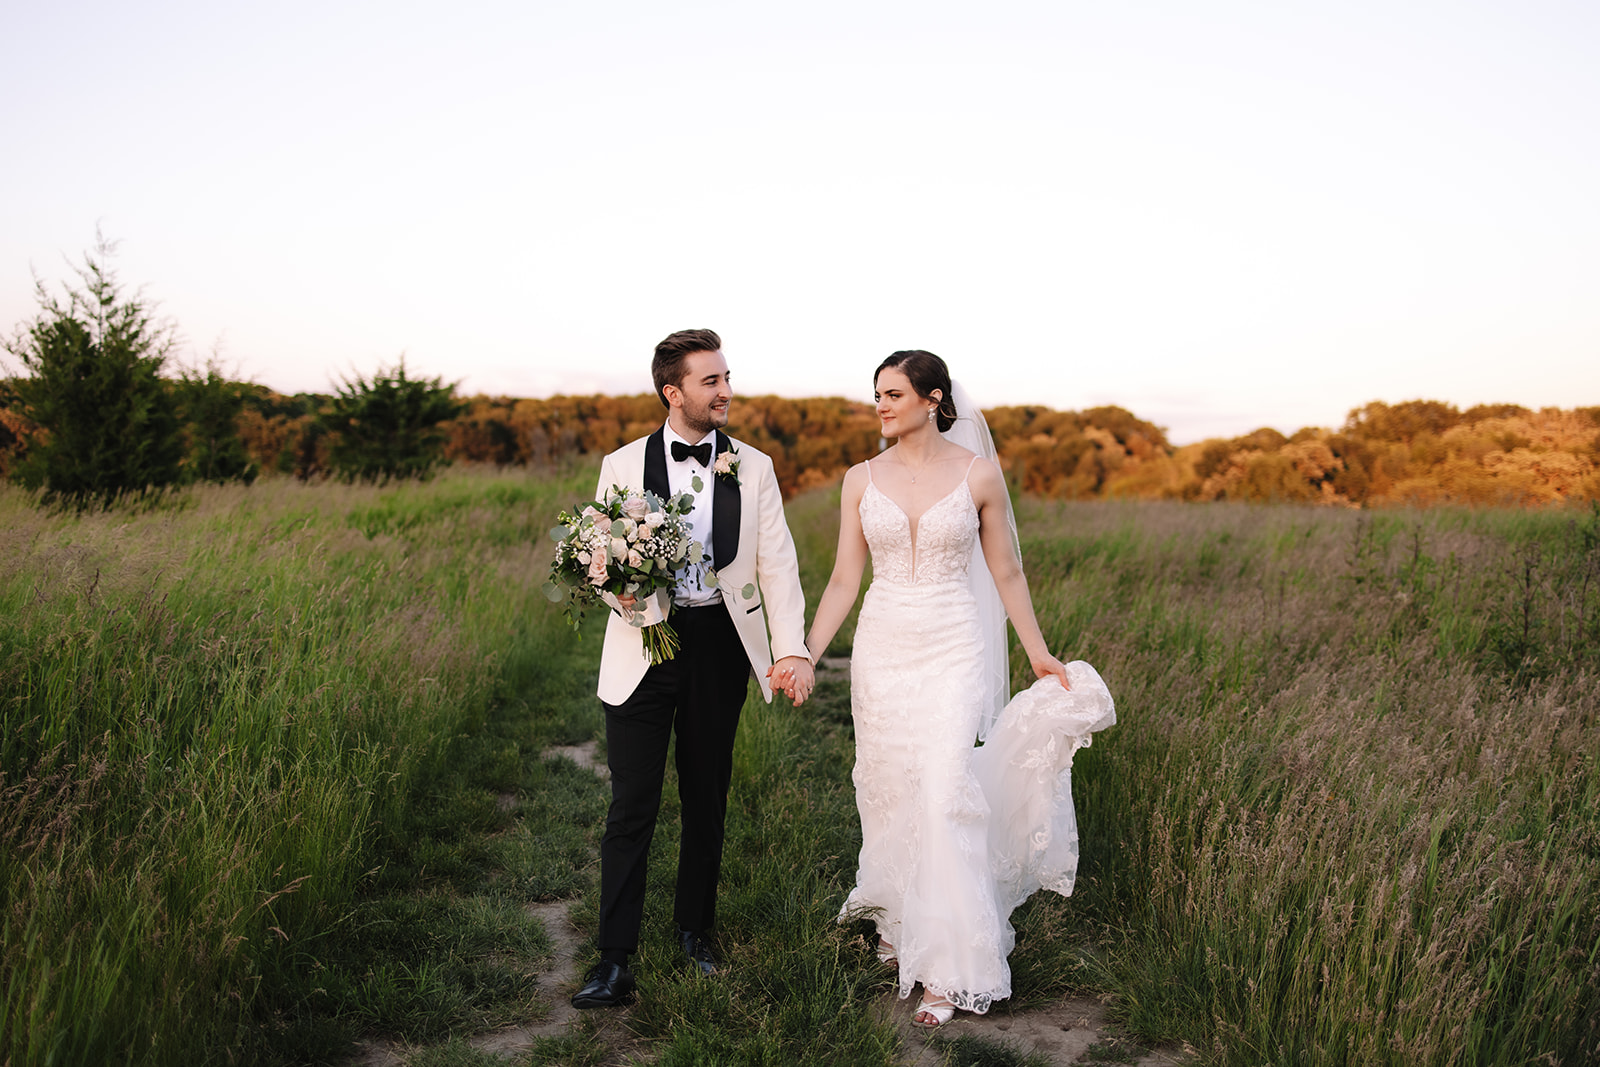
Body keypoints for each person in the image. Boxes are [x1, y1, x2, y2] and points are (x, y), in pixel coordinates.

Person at [800, 350, 1115, 1027]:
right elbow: (842, 581)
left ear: (932, 398)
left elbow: (1006, 571)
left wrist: (1036, 652)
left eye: (892, 393)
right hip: (882, 646)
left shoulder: (978, 474)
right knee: (887, 784)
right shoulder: (861, 479)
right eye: (876, 394)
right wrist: (804, 652)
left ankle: (948, 966)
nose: (880, 405)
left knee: (943, 791)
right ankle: (897, 914)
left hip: (952, 645)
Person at [571, 329, 816, 1009]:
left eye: (726, 377)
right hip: (643, 641)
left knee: (706, 790)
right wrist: (616, 589)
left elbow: (778, 562)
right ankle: (613, 959)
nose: (726, 391)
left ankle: (694, 931)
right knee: (631, 804)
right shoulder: (621, 463)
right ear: (671, 391)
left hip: (719, 643)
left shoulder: (753, 465)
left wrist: (789, 647)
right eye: (710, 381)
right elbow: (600, 554)